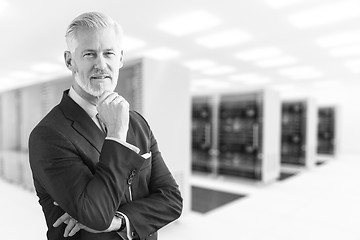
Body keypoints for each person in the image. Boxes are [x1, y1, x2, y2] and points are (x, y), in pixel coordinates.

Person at [29, 12, 183, 240]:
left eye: (109, 53)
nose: (101, 64)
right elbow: (96, 215)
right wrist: (117, 136)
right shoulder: (49, 135)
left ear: (120, 58)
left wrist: (119, 221)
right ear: (70, 61)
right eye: (89, 54)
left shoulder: (138, 122)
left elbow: (171, 200)